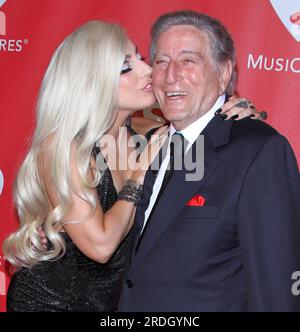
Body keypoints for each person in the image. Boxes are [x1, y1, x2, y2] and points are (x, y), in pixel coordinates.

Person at [3, 20, 261, 312]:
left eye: (139, 57)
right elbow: (100, 247)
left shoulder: (152, 134)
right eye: (126, 67)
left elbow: (214, 143)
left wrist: (234, 111)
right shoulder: (62, 149)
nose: (148, 70)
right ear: (91, 81)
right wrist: (139, 173)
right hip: (49, 304)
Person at [118, 10, 300, 312]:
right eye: (161, 61)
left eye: (188, 60)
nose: (171, 74)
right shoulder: (149, 145)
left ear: (224, 73)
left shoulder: (258, 151)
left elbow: (276, 288)